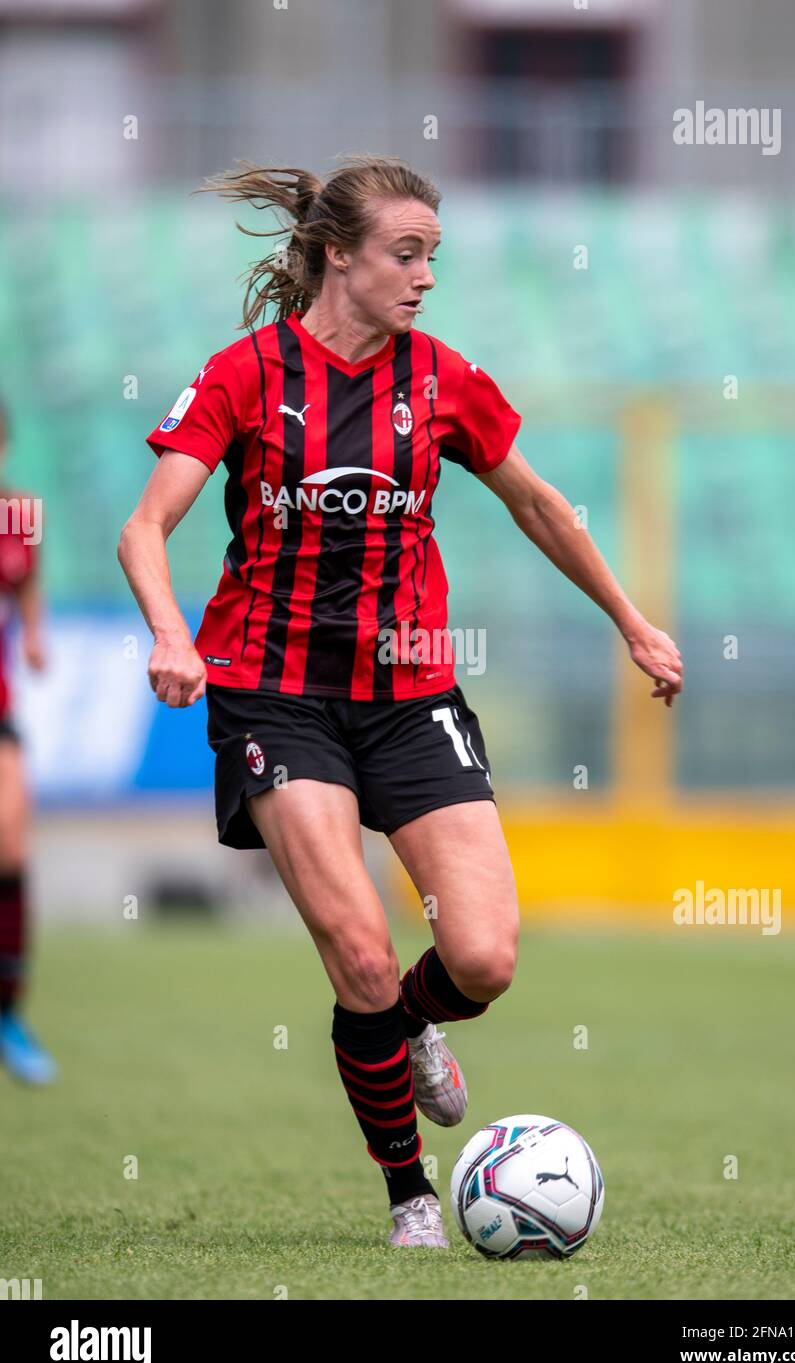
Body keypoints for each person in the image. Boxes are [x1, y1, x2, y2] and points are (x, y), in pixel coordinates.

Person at [117, 156, 682, 1248]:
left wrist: (631, 617)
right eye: (405, 254)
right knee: (363, 956)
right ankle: (410, 1197)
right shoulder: (243, 375)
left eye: (433, 256)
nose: (425, 276)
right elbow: (146, 526)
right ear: (340, 254)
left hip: (409, 692)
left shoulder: (442, 381)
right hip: (274, 698)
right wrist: (170, 632)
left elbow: (542, 507)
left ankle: (410, 1026)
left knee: (482, 959)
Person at [0, 401, 56, 1085]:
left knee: (12, 845)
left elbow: (27, 582)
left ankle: (9, 1012)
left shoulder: (20, 515)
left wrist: (36, 633)